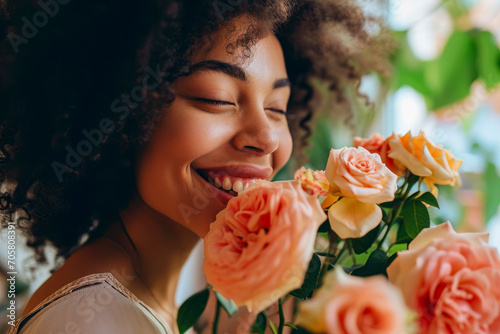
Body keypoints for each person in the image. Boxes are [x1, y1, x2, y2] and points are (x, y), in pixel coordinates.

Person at [0, 0, 392, 333]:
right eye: (216, 99)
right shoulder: (91, 319)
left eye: (277, 109)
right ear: (120, 115)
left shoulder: (144, 296)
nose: (267, 138)